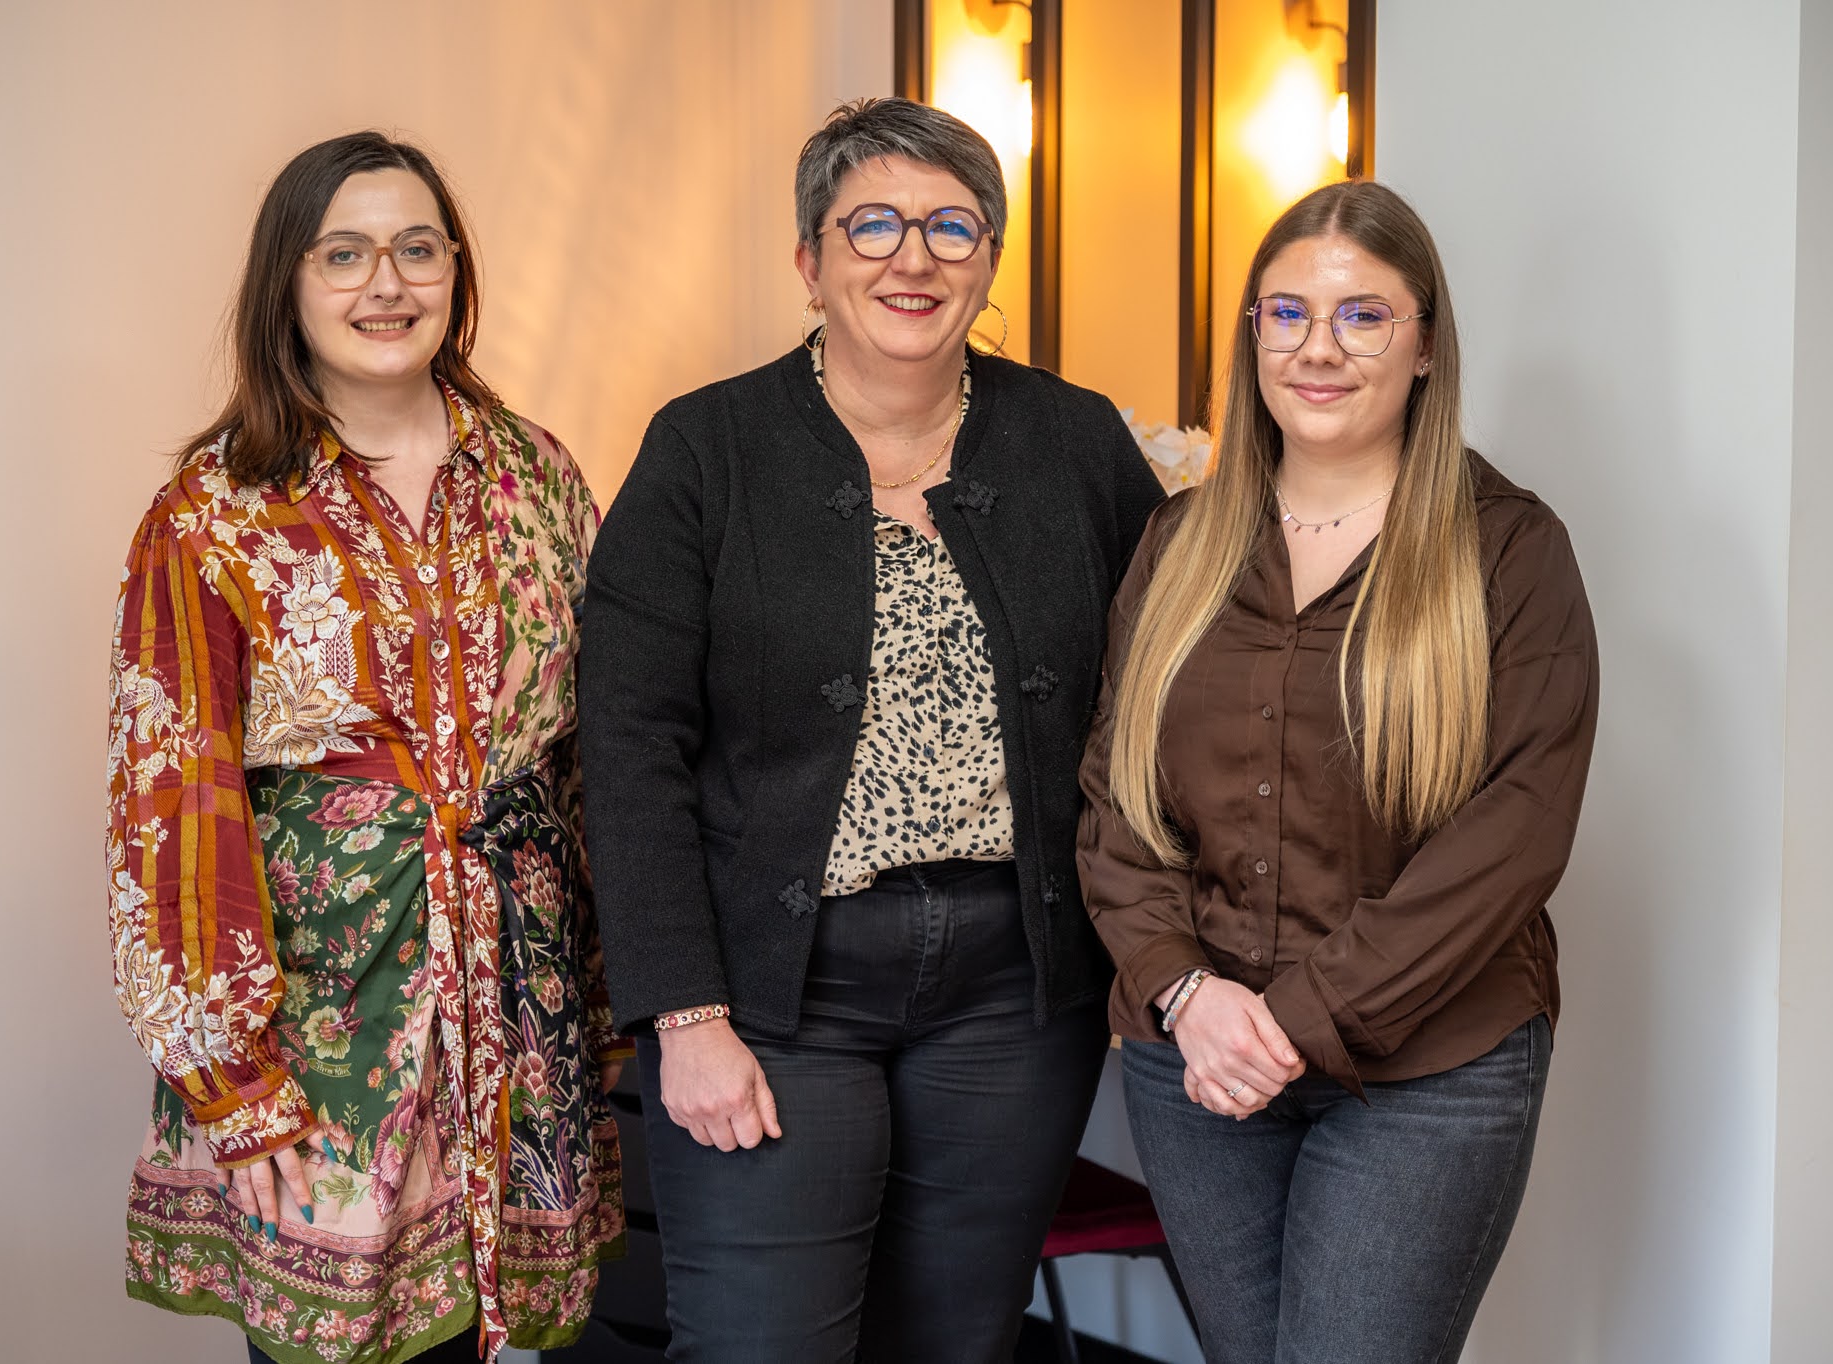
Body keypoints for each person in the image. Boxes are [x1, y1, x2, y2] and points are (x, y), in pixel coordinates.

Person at [578, 97, 1165, 1362]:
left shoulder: (1072, 438)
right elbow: (626, 743)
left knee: (953, 1342)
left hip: (1014, 996)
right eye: (874, 226)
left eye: (953, 227)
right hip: (777, 996)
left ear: (989, 261)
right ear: (810, 262)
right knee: (760, 1343)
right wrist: (681, 1014)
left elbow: (1162, 683)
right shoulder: (706, 449)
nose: (915, 258)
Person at [106, 131, 627, 1364]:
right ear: (287, 281)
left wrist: (618, 1001)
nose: (384, 283)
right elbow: (170, 801)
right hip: (327, 1027)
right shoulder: (212, 513)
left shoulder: (538, 476)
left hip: (521, 998)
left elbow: (597, 753)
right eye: (343, 253)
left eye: (415, 248)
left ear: (455, 272)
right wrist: (237, 1085)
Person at [1077, 178, 1599, 1364]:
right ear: (1251, 334)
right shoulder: (1177, 541)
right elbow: (1115, 803)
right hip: (1194, 1058)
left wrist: (1296, 1017)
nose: (1318, 347)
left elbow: (1512, 830)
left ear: (1423, 346)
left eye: (1363, 315)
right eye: (1285, 313)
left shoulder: (1508, 551)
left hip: (1428, 1069)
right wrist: (1184, 993)